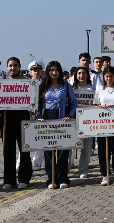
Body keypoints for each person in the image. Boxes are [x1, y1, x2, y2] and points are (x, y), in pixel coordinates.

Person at [37, 61, 78, 189]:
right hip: (47, 116)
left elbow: (73, 102)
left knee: (63, 150)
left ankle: (63, 178)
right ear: (47, 71)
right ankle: (52, 179)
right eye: (51, 70)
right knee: (48, 149)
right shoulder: (43, 85)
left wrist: (70, 116)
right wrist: (39, 116)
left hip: (62, 116)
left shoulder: (66, 86)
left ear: (60, 71)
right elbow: (37, 104)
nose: (54, 72)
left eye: (56, 70)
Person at [1, 57, 33, 190]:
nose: (12, 68)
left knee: (24, 149)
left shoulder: (27, 82)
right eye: (10, 66)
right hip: (6, 119)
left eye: (15, 65)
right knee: (8, 150)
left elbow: (32, 100)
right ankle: (9, 180)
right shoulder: (2, 83)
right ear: (7, 67)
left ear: (19, 66)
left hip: (22, 118)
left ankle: (24, 178)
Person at [72, 67, 95, 179]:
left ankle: (83, 170)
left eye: (84, 73)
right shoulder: (71, 88)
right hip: (73, 120)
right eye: (79, 73)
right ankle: (66, 169)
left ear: (87, 75)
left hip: (88, 121)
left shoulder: (93, 88)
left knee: (87, 147)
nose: (81, 75)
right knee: (71, 146)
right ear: (76, 75)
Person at [28, 60, 46, 171]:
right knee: (26, 138)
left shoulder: (45, 84)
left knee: (41, 138)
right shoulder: (25, 84)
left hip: (41, 112)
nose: (36, 72)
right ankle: (21, 162)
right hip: (28, 114)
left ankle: (37, 162)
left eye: (38, 70)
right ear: (30, 72)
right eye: (34, 70)